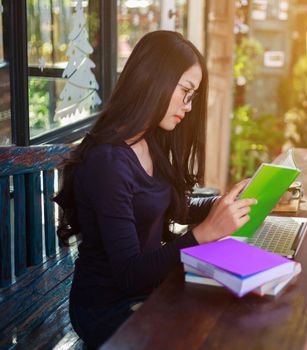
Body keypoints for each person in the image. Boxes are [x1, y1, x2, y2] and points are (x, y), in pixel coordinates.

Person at [54, 30, 256, 349]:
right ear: (155, 80)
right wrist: (203, 234)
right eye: (186, 92)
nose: (188, 106)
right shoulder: (108, 161)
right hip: (106, 307)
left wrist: (231, 203)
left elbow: (174, 206)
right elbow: (129, 274)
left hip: (149, 290)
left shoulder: (148, 141)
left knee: (239, 315)